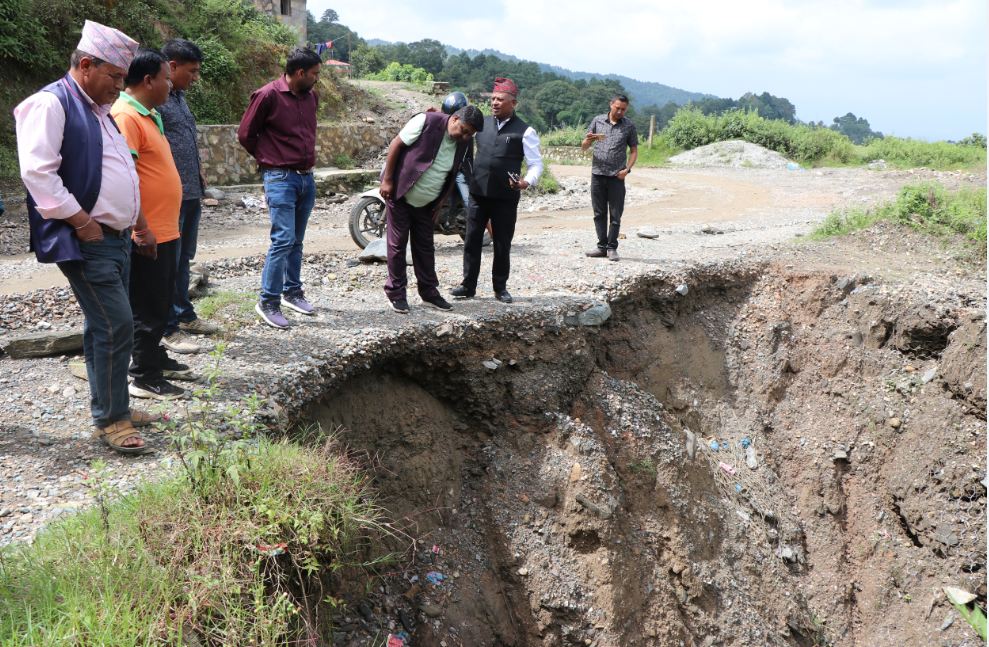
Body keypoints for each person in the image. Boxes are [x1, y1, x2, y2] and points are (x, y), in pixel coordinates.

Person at [14, 20, 158, 455]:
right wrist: (82, 222)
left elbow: (122, 173)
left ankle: (117, 407)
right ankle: (111, 420)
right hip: (88, 238)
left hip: (115, 237)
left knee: (105, 325)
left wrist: (139, 223)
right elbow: (38, 173)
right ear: (87, 65)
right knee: (115, 323)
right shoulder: (50, 104)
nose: (120, 85)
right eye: (114, 76)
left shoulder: (99, 110)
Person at [112, 49, 190, 401]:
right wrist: (141, 229)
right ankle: (143, 374)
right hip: (148, 231)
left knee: (160, 300)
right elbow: (124, 178)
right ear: (148, 81)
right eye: (166, 79)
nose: (170, 85)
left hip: (165, 227)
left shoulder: (148, 114)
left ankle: (154, 357)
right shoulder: (126, 116)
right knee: (148, 304)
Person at [238, 47, 322, 330]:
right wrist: (269, 158)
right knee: (283, 239)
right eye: (314, 74)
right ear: (300, 73)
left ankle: (292, 292)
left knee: (296, 240)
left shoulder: (311, 97)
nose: (317, 79)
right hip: (280, 178)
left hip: (305, 178)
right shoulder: (268, 95)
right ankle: (268, 300)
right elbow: (246, 134)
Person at [379, 104, 483, 313]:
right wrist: (388, 180)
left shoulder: (464, 142)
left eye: (469, 134)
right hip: (400, 192)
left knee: (425, 248)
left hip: (427, 203)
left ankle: (429, 293)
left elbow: (453, 174)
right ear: (454, 118)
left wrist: (440, 203)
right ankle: (396, 293)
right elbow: (396, 145)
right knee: (398, 245)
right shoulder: (426, 121)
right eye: (463, 130)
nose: (463, 136)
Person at [451, 77, 542, 304]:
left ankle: (500, 287)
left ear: (514, 103)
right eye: (493, 99)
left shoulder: (525, 131)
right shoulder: (481, 125)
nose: (495, 103)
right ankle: (468, 285)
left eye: (500, 99)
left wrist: (526, 182)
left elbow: (536, 163)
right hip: (478, 193)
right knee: (471, 240)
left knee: (502, 243)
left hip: (505, 198)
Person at [159, 38, 220, 354]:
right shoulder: (155, 99)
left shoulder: (179, 98)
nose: (196, 77)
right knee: (168, 262)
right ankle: (167, 327)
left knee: (184, 258)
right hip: (169, 196)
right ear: (172, 66)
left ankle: (184, 315)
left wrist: (199, 174)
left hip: (190, 192)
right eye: (192, 71)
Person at [582, 94, 638, 261]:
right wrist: (588, 140)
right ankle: (601, 246)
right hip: (597, 174)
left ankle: (612, 248)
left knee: (615, 214)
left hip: (616, 176)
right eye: (617, 108)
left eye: (623, 109)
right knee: (599, 213)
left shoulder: (629, 126)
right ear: (611, 104)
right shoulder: (598, 121)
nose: (620, 111)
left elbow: (634, 150)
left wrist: (627, 170)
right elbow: (584, 147)